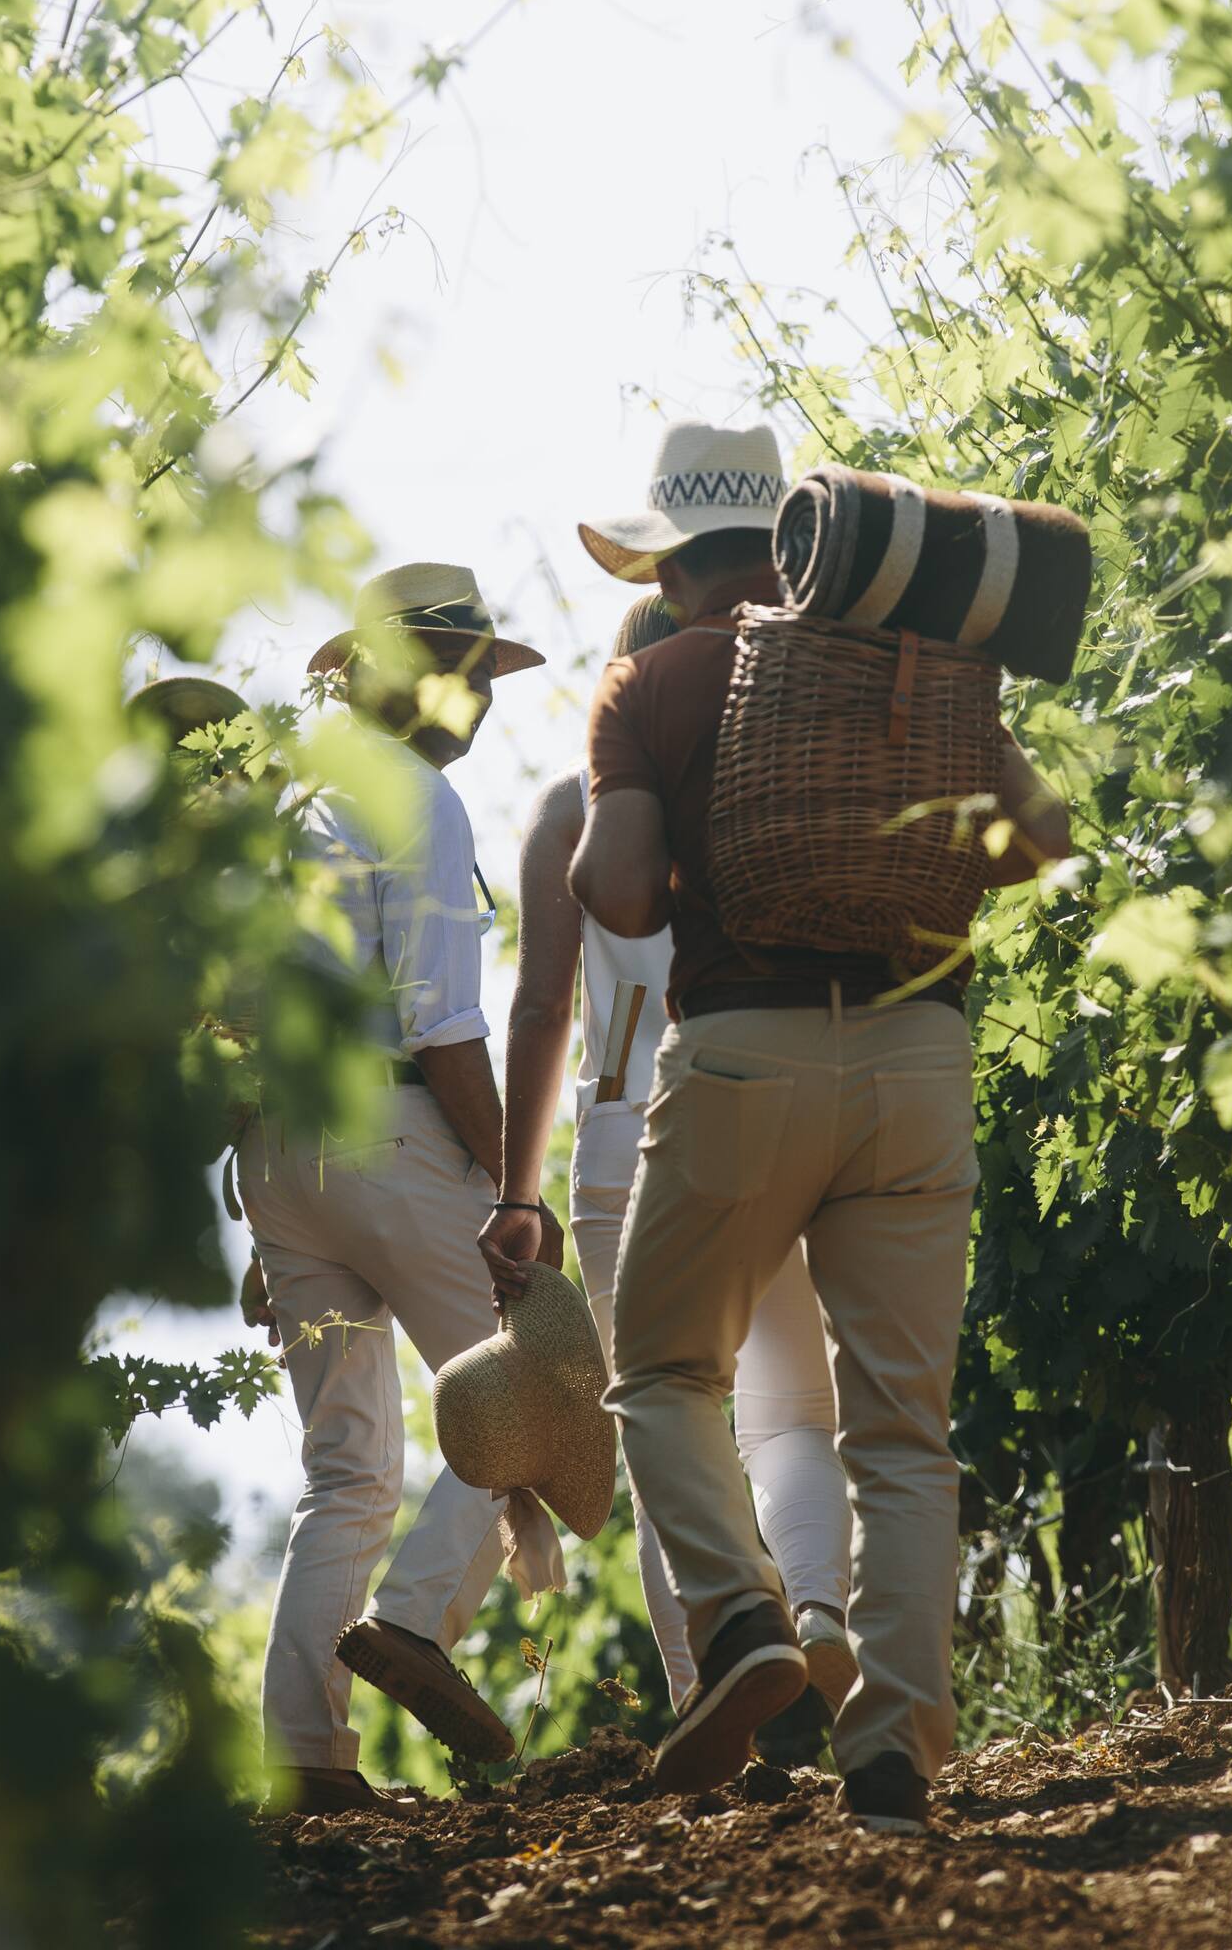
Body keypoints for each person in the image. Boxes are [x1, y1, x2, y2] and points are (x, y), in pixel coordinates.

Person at [569, 421, 1071, 1832]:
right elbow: (1043, 838)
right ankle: (897, 1755)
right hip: (918, 1052)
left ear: (670, 561)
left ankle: (741, 1627)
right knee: (900, 1428)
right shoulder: (893, 661)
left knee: (663, 1369)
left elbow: (615, 896)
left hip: (742, 1057)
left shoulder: (650, 682)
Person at [478, 593, 856, 1740]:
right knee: (792, 1415)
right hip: (765, 1112)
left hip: (613, 1152)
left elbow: (543, 1006)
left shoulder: (564, 811)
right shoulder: (755, 792)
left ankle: (711, 1694)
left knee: (663, 1427)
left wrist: (515, 1191)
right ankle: (824, 1609)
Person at [237, 563, 561, 1817]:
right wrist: (507, 1182)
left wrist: (266, 1212)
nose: (479, 695)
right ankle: (417, 1622)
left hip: (281, 1145)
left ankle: (305, 1756)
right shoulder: (417, 801)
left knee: (349, 1466)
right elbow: (441, 1025)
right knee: (530, 1390)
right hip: (390, 1126)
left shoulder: (284, 806)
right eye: (469, 670)